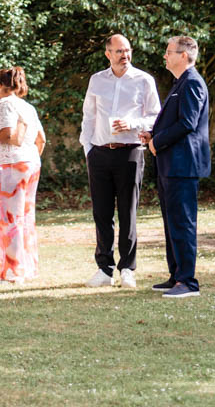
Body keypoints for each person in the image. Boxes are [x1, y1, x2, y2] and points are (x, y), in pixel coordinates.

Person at [80, 33, 161, 289]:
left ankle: (128, 268)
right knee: (101, 214)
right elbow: (88, 117)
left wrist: (132, 123)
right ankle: (104, 268)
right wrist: (88, 149)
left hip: (131, 153)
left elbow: (155, 117)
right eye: (119, 51)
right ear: (108, 54)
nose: (124, 55)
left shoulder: (144, 80)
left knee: (128, 212)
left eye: (127, 50)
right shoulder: (96, 80)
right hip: (100, 153)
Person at [142, 35, 211, 299]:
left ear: (184, 55)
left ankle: (188, 282)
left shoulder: (192, 82)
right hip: (170, 164)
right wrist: (152, 135)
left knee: (182, 222)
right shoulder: (179, 83)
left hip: (183, 164)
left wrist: (158, 141)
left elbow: (188, 123)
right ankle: (176, 276)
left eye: (169, 52)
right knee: (172, 222)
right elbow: (176, 121)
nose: (165, 56)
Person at [0, 66, 45, 283]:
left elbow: (8, 135)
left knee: (10, 218)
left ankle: (13, 270)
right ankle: (28, 265)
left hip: (12, 165)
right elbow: (41, 139)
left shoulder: (4, 105)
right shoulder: (27, 106)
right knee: (26, 216)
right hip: (31, 163)